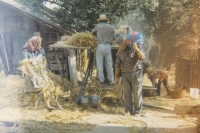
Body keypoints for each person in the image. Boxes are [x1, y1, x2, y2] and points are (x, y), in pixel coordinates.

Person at [115, 31, 145, 116]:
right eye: (119, 44)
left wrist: (136, 49)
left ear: (126, 40)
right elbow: (117, 64)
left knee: (137, 93)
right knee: (126, 93)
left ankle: (137, 111)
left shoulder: (135, 46)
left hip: (137, 73)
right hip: (125, 74)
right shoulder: (120, 51)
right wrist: (116, 77)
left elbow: (142, 57)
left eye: (122, 43)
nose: (121, 45)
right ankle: (128, 111)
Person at [22, 36, 54, 110]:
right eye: (39, 42)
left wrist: (44, 66)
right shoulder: (26, 50)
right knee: (34, 90)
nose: (40, 44)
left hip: (41, 71)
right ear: (34, 42)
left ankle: (48, 105)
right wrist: (32, 64)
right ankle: (35, 107)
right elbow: (25, 61)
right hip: (32, 72)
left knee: (46, 88)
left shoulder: (40, 48)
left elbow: (44, 59)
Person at [91, 14, 115, 85]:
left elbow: (92, 32)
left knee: (100, 63)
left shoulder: (98, 26)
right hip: (108, 46)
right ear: (106, 21)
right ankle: (111, 81)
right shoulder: (111, 27)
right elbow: (114, 38)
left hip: (100, 45)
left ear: (100, 21)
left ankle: (101, 80)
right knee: (109, 64)